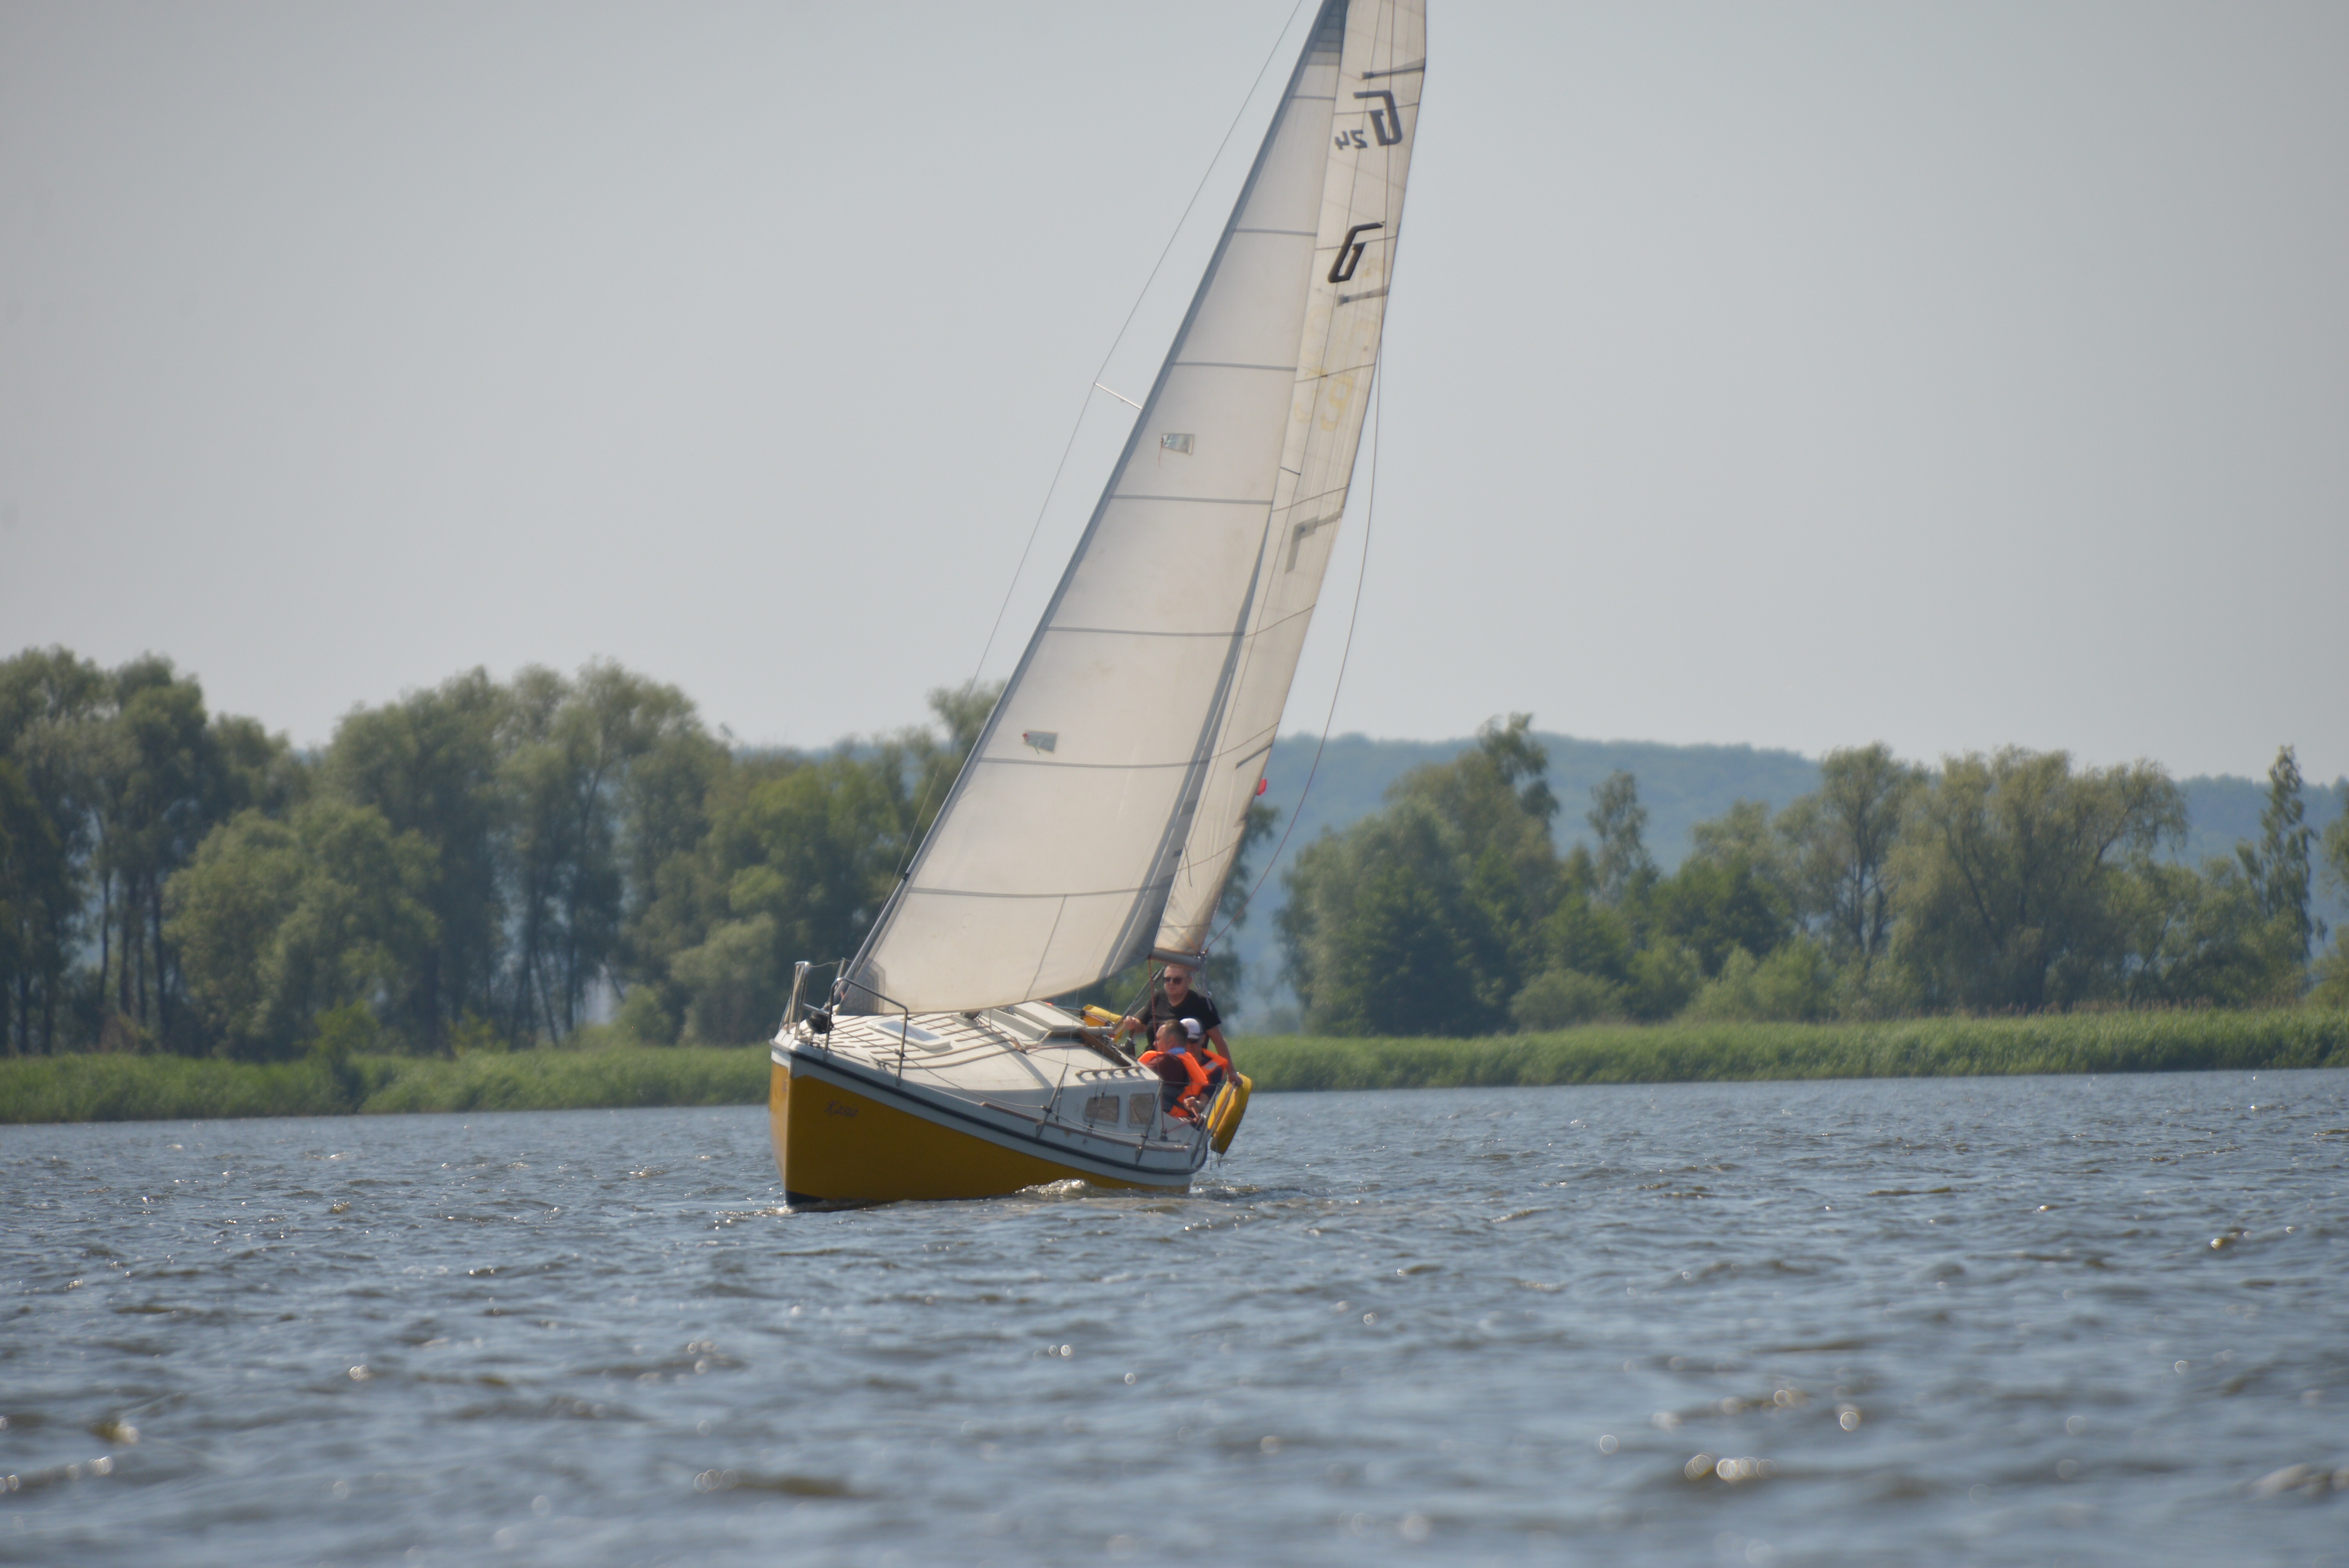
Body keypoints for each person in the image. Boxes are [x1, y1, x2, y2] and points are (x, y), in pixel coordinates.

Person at [1117, 963, 1230, 1066]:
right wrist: (1133, 1023)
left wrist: (1231, 1073)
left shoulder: (1202, 1004)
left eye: (1177, 980)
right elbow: (1141, 1026)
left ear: (1189, 981)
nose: (1171, 983)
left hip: (1184, 1068)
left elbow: (1218, 1041)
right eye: (1167, 980)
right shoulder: (1158, 997)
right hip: (1153, 1064)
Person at [1137, 1018, 1211, 1122]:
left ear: (1171, 1040)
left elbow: (1134, 1078)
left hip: (1155, 1117)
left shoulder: (1167, 1061)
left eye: (1158, 1039)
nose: (1154, 1043)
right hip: (1170, 1118)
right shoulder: (1180, 1061)